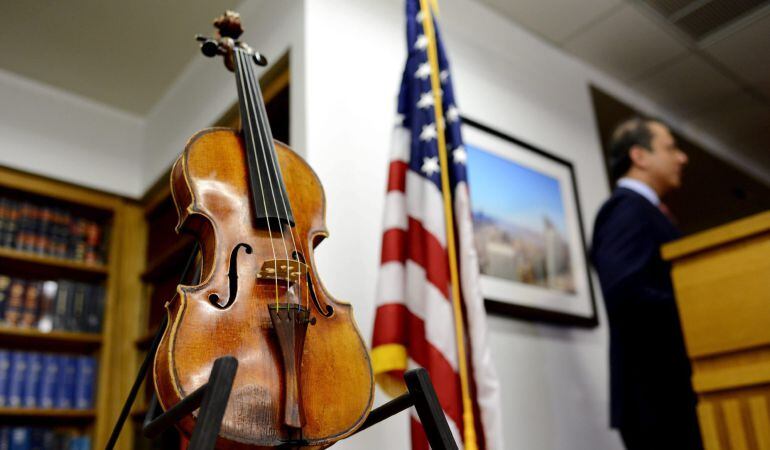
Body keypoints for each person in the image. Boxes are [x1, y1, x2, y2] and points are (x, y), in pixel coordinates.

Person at [591, 117, 702, 449]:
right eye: (671, 148)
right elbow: (626, 294)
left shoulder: (648, 211)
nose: (681, 157)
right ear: (639, 156)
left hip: (670, 397)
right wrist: (698, 312)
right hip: (657, 400)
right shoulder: (625, 209)